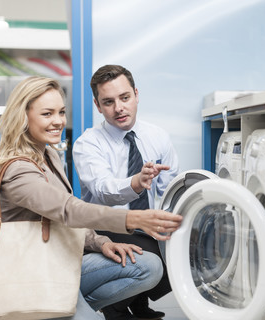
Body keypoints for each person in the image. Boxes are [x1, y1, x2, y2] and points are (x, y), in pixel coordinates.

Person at [0, 76, 183, 320]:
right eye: (47, 114)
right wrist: (134, 217)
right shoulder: (17, 169)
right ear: (23, 116)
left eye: (61, 112)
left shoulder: (50, 156)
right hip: (33, 273)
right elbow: (68, 210)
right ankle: (56, 310)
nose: (58, 121)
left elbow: (63, 221)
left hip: (61, 259)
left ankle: (64, 309)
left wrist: (102, 243)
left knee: (149, 266)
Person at [73, 65, 179, 320]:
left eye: (124, 97)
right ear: (98, 106)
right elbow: (103, 190)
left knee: (183, 249)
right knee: (150, 250)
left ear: (136, 94)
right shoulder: (87, 143)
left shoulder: (157, 136)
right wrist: (136, 182)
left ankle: (137, 303)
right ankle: (116, 307)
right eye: (108, 102)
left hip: (146, 223)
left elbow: (170, 189)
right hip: (105, 226)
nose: (119, 108)